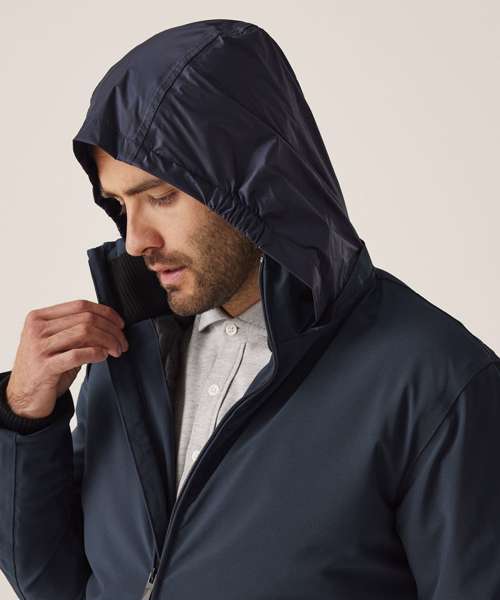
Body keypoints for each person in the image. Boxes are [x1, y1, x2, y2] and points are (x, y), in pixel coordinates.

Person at [0, 18, 499, 600]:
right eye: (119, 204)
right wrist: (26, 418)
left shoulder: (436, 382)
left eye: (161, 196)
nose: (134, 241)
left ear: (250, 183)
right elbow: (57, 583)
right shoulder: (130, 347)